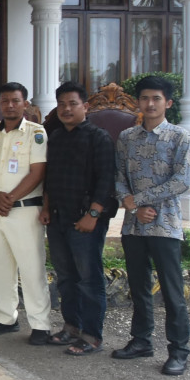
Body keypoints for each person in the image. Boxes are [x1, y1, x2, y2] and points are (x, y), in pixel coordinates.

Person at [114, 75, 190, 376]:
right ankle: (141, 341)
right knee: (138, 287)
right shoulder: (126, 137)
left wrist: (141, 200)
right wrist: (129, 202)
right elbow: (118, 176)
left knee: (172, 291)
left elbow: (181, 180)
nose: (150, 103)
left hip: (165, 224)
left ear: (168, 103)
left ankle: (178, 351)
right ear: (139, 101)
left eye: (157, 98)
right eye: (145, 98)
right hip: (134, 226)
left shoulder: (180, 138)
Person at [39, 81, 116, 356]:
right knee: (66, 277)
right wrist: (46, 208)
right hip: (58, 218)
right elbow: (49, 179)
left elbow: (107, 180)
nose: (67, 109)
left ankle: (92, 335)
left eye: (73, 104)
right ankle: (71, 327)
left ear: (86, 106)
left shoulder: (99, 137)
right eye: (61, 104)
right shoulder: (56, 137)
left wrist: (93, 215)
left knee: (88, 279)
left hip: (85, 220)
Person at [0, 82, 53, 345]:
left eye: (15, 101)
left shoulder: (36, 132)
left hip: (25, 210)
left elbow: (38, 171)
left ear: (25, 104)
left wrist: (11, 197)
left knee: (31, 268)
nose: (10, 105)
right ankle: (5, 318)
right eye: (5, 100)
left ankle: (41, 325)